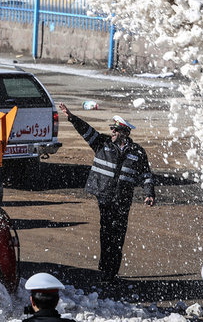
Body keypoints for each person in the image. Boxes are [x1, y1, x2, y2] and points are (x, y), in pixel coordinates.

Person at [59, 103, 155, 282]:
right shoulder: (102, 144)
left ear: (125, 133)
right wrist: (71, 117)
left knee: (118, 235)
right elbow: (86, 130)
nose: (112, 132)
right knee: (107, 232)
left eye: (115, 130)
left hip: (123, 199)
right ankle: (104, 270)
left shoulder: (138, 152)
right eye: (112, 129)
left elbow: (146, 175)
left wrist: (149, 193)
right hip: (104, 197)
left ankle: (113, 271)